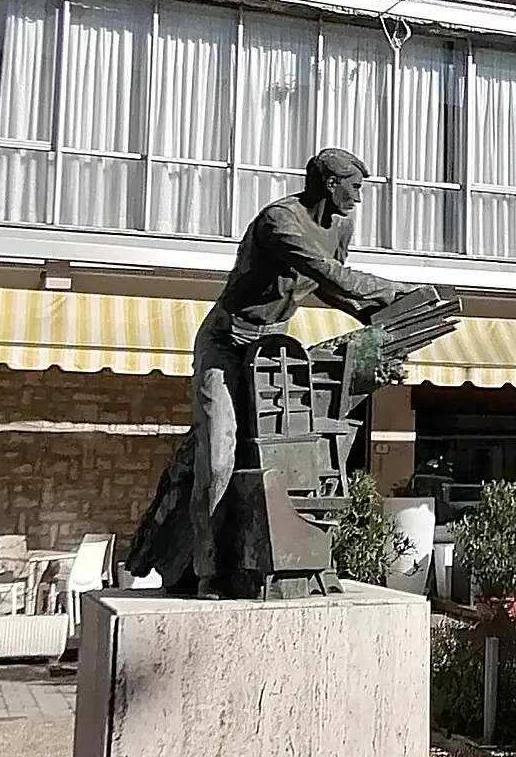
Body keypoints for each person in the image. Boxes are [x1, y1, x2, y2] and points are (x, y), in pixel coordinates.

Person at [126, 149, 399, 594]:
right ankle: (208, 568)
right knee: (218, 458)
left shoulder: (341, 226)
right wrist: (391, 290)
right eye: (355, 187)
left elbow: (333, 291)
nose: (358, 198)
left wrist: (378, 319)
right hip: (225, 343)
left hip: (270, 349)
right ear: (331, 184)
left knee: (275, 456)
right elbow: (324, 271)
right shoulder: (279, 221)